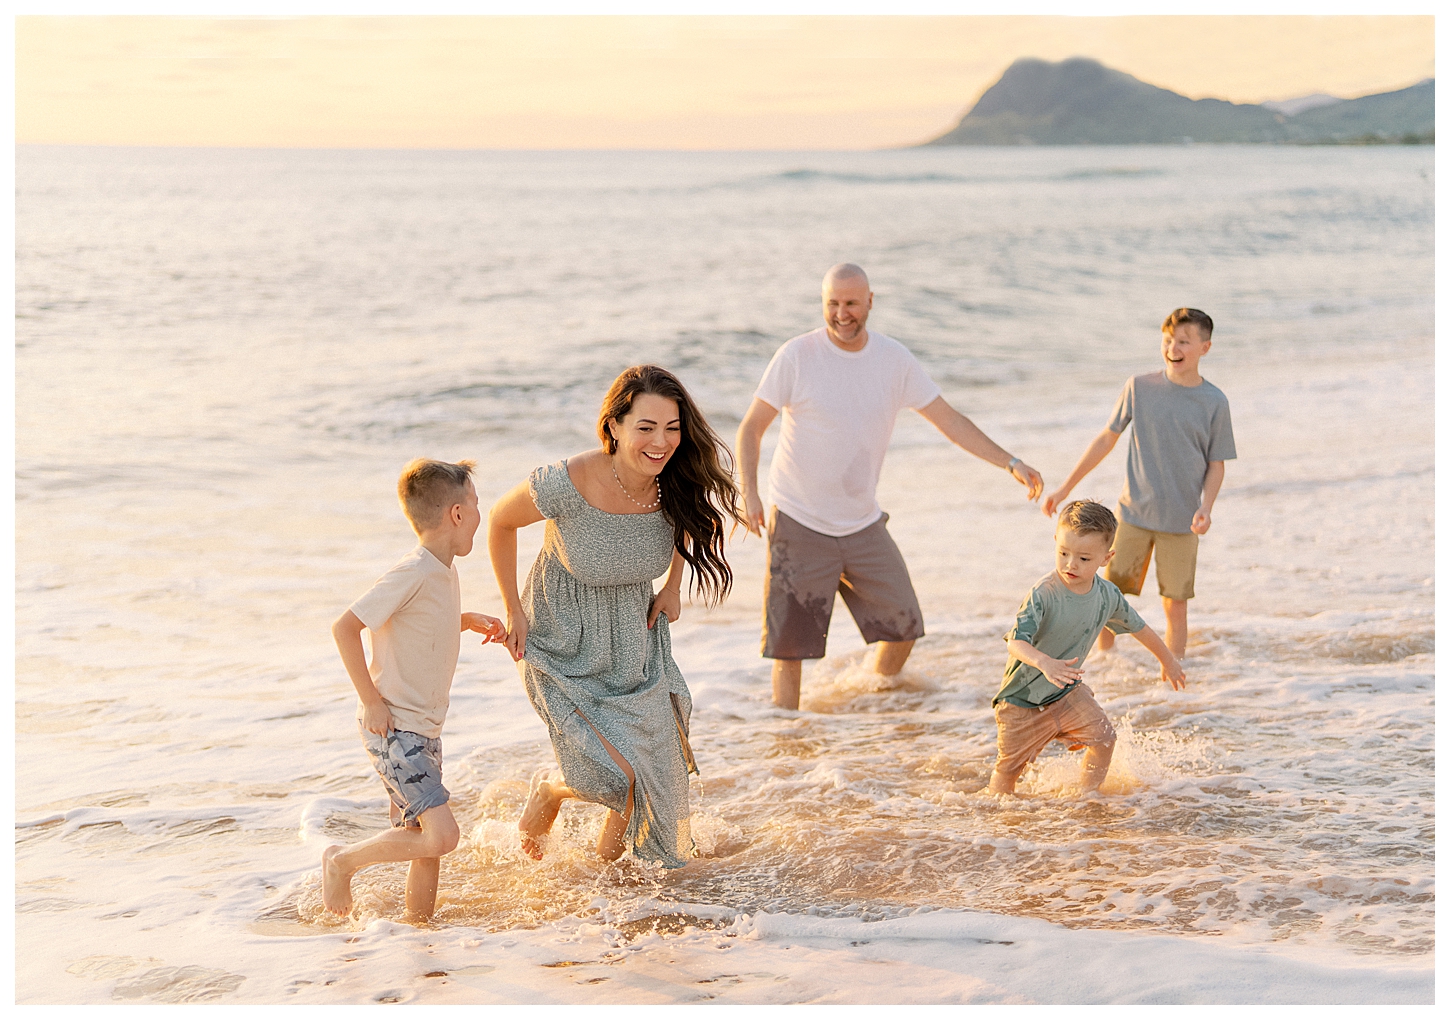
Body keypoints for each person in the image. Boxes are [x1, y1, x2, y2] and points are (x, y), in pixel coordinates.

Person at [736, 262, 1044, 710]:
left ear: (870, 302)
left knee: (904, 626)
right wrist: (750, 492)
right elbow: (751, 428)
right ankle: (790, 744)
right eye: (833, 304)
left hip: (861, 522)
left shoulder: (893, 359)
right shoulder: (796, 356)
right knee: (790, 647)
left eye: (851, 304)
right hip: (799, 519)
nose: (842, 314)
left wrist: (1010, 462)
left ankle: (871, 693)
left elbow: (950, 421)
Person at [488, 365, 741, 868]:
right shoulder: (569, 481)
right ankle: (551, 791)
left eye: (672, 428)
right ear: (615, 427)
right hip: (561, 640)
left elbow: (691, 522)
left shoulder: (676, 481)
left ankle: (610, 884)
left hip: (633, 637)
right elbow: (500, 521)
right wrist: (512, 610)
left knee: (653, 779)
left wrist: (672, 586)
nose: (660, 441)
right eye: (645, 427)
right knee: (619, 774)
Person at [322, 459, 506, 920]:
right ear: (457, 515)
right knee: (442, 835)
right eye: (477, 505)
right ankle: (341, 863)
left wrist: (463, 621)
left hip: (422, 729)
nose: (481, 515)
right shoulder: (415, 570)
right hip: (395, 728)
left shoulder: (441, 572)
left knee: (425, 844)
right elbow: (345, 627)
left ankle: (418, 932)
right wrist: (370, 701)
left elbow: (417, 624)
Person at [1042, 307, 1236, 659]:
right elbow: (1106, 439)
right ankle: (1106, 665)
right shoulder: (1140, 387)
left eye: (1183, 342)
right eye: (1167, 340)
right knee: (1106, 599)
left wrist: (1206, 508)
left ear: (1204, 348)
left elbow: (1216, 464)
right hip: (1132, 515)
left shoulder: (1215, 402)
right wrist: (1064, 488)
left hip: (1181, 522)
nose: (1172, 348)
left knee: (1175, 606)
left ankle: (1173, 676)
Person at [990, 499, 1185, 796]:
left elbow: (1139, 627)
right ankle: (994, 823)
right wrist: (1044, 662)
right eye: (1064, 553)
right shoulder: (1043, 593)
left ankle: (1087, 799)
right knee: (1008, 773)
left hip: (1066, 692)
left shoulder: (1107, 595)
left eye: (1083, 558)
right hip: (1021, 700)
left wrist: (1167, 660)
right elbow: (1016, 643)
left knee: (1104, 739)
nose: (1071, 564)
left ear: (1106, 558)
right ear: (1056, 541)